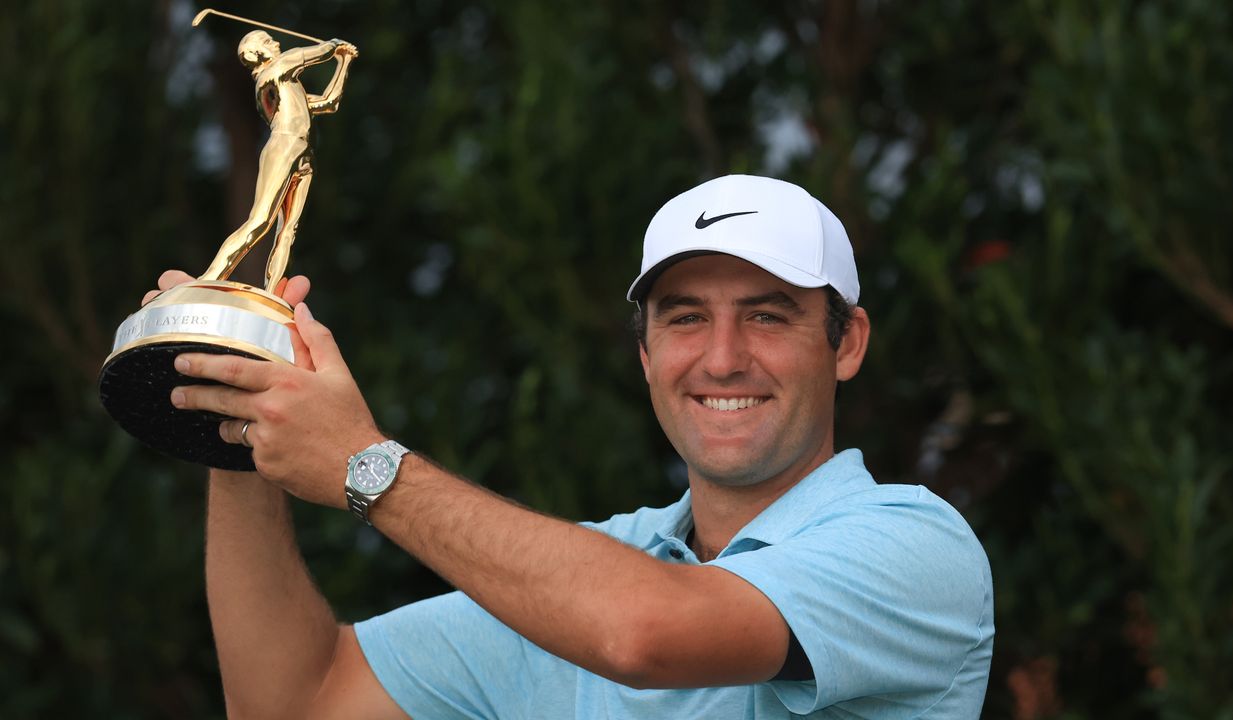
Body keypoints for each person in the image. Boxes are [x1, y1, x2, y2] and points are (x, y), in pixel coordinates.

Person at [153, 174, 994, 718]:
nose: (723, 356)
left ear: (845, 344)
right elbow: (296, 703)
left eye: (768, 315)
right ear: (646, 354)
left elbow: (642, 634)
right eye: (686, 317)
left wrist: (364, 464)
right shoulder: (585, 575)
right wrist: (242, 419)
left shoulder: (914, 546)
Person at [198, 31, 357, 291]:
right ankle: (208, 280)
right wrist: (335, 45)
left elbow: (330, 103)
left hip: (304, 152)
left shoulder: (287, 83)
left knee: (289, 231)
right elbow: (309, 54)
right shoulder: (273, 72)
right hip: (283, 147)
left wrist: (344, 62)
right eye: (268, 41)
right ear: (253, 54)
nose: (277, 43)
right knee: (260, 221)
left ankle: (273, 296)